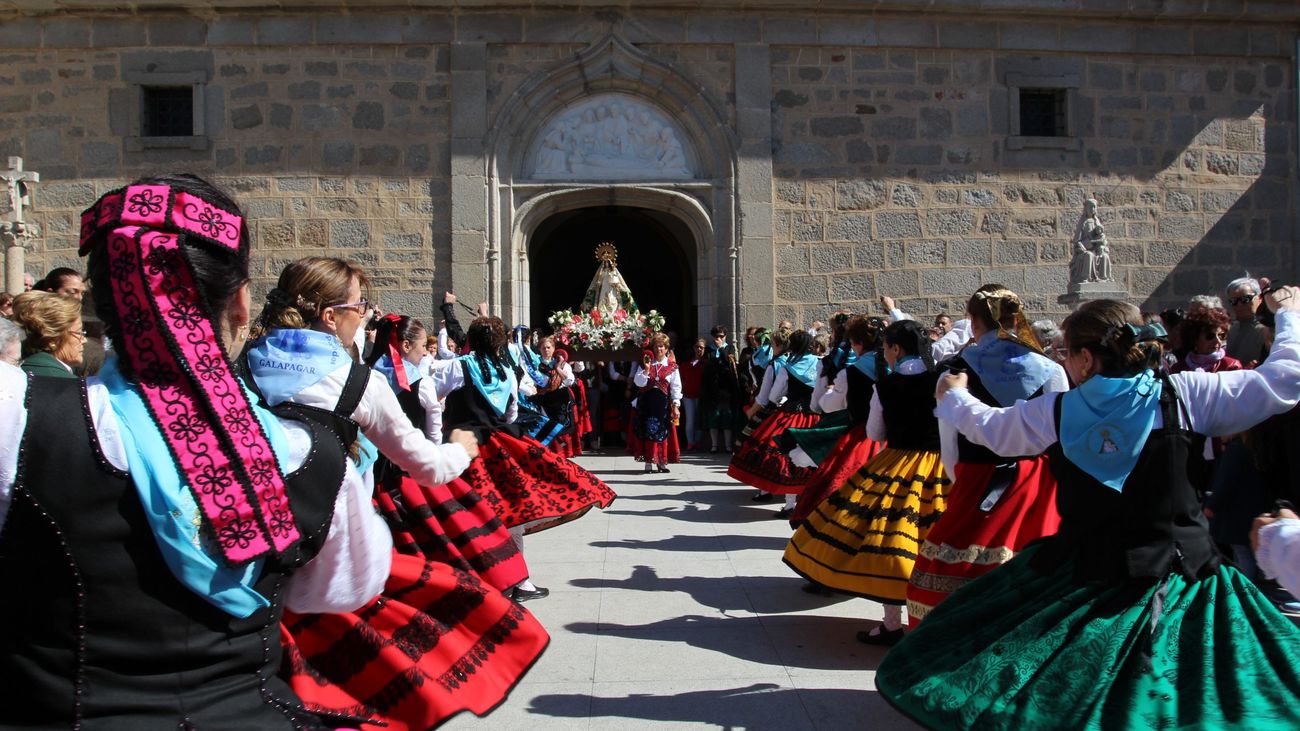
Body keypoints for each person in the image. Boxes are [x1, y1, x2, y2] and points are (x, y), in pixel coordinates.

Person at [0, 174, 393, 728]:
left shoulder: (19, 419)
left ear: (97, 306)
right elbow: (346, 587)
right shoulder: (315, 455)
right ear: (239, 302)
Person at [876, 293, 1300, 730]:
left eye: (1065, 351)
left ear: (1082, 357)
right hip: (1183, 574)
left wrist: (953, 397)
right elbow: (1285, 380)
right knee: (1191, 699)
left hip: (1085, 575)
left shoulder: (1058, 410)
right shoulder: (1185, 394)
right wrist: (1287, 314)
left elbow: (992, 431)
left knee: (1067, 694)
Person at [245, 258, 547, 729]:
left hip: (249, 555)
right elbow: (425, 466)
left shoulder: (243, 363)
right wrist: (459, 450)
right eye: (360, 306)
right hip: (321, 560)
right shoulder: (360, 383)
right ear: (330, 316)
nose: (365, 315)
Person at [908, 286, 1067, 627]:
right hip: (1037, 482)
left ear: (975, 323)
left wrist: (961, 478)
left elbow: (948, 443)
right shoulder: (1049, 368)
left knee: (956, 567)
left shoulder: (954, 371)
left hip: (977, 478)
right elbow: (1060, 433)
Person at [783, 319, 949, 646]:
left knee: (889, 543)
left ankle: (891, 623)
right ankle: (933, 618)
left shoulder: (885, 387)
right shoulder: (941, 379)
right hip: (940, 466)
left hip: (899, 464)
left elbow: (875, 433)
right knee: (937, 542)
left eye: (887, 348)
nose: (884, 354)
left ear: (897, 349)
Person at [788, 315, 888, 530]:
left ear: (858, 342)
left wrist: (831, 392)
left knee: (842, 486)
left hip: (864, 436)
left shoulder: (851, 372)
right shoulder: (894, 365)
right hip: (896, 439)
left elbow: (829, 405)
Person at [729, 329, 823, 508]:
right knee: (813, 455)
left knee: (783, 454)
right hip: (815, 415)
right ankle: (809, 497)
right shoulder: (819, 363)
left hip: (792, 415)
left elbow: (773, 397)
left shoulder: (786, 367)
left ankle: (788, 503)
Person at [632, 333, 682, 473]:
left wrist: (676, 405)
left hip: (662, 403)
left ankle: (661, 462)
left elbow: (676, 387)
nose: (659, 349)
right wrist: (647, 370)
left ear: (666, 348)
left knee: (662, 431)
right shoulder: (646, 362)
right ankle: (648, 462)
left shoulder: (671, 366)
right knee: (648, 430)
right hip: (647, 402)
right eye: (656, 346)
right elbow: (638, 382)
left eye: (661, 346)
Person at [11, 289, 83, 378]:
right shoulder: (68, 384)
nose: (84, 340)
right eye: (79, 332)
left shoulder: (10, 374)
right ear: (52, 340)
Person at [700, 325, 741, 453]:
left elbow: (729, 364)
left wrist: (721, 349)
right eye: (716, 336)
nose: (718, 339)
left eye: (721, 336)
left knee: (726, 417)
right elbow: (707, 366)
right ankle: (714, 445)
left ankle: (728, 445)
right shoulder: (708, 350)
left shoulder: (729, 348)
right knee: (714, 416)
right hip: (712, 388)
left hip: (726, 388)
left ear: (725, 336)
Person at [1225, 275, 1269, 366]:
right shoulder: (1232, 328)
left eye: (1245, 299)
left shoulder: (1268, 330)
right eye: (1234, 301)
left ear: (1259, 298)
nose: (1239, 305)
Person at [679, 338, 706, 450]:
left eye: (701, 347)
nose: (699, 349)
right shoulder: (685, 364)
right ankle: (690, 442)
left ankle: (697, 442)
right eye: (697, 347)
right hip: (688, 395)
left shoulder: (706, 363)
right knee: (690, 420)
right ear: (693, 348)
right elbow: (681, 379)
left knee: (699, 420)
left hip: (701, 395)